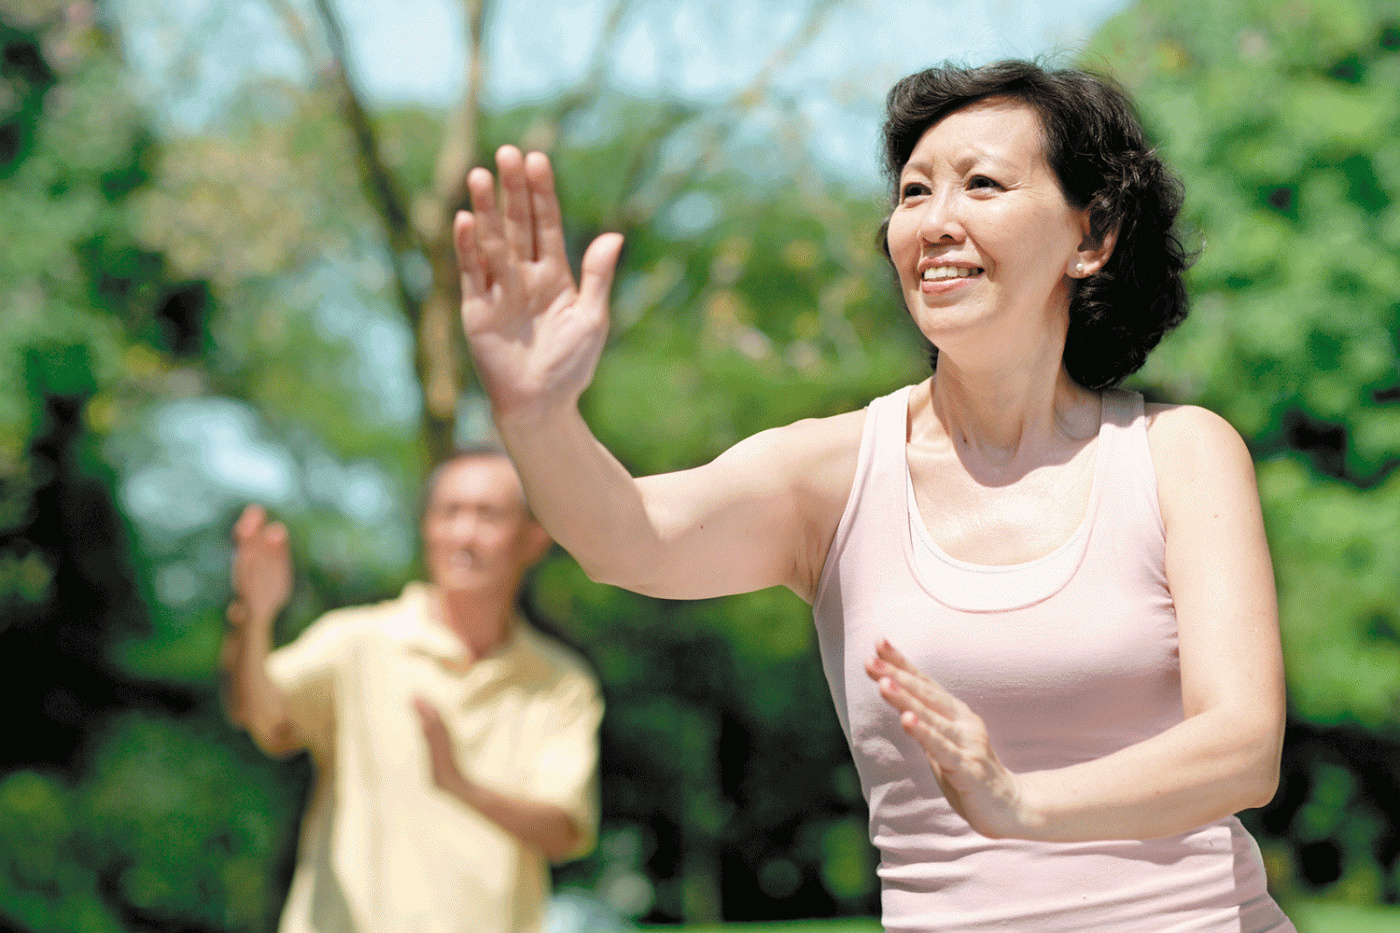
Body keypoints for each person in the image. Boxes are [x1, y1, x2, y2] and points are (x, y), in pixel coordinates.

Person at [451, 58, 1294, 932]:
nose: (935, 221)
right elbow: (627, 536)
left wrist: (1022, 804)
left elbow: (1242, 746)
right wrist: (539, 416)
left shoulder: (1177, 455)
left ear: (1092, 237)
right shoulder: (834, 475)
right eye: (914, 191)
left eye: (982, 184)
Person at [219, 447, 603, 933]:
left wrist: (460, 786)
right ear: (426, 529)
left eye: (488, 516)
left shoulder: (561, 682)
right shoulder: (356, 642)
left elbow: (564, 831)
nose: (464, 535)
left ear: (534, 538)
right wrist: (254, 620)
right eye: (448, 513)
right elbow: (258, 713)